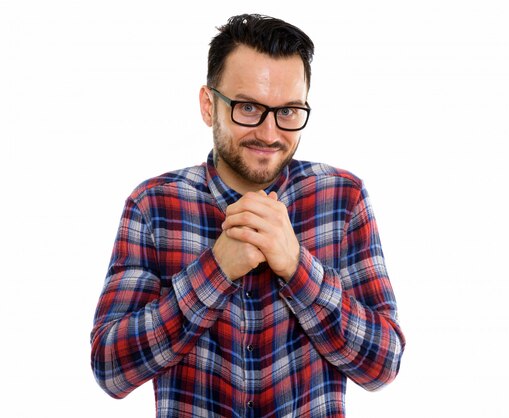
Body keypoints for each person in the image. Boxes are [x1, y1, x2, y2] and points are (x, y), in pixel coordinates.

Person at [91, 13, 405, 418]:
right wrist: (215, 270)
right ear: (208, 105)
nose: (270, 133)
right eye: (249, 107)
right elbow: (110, 369)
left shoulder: (342, 198)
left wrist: (297, 266)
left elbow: (383, 366)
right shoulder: (153, 205)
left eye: (289, 111)